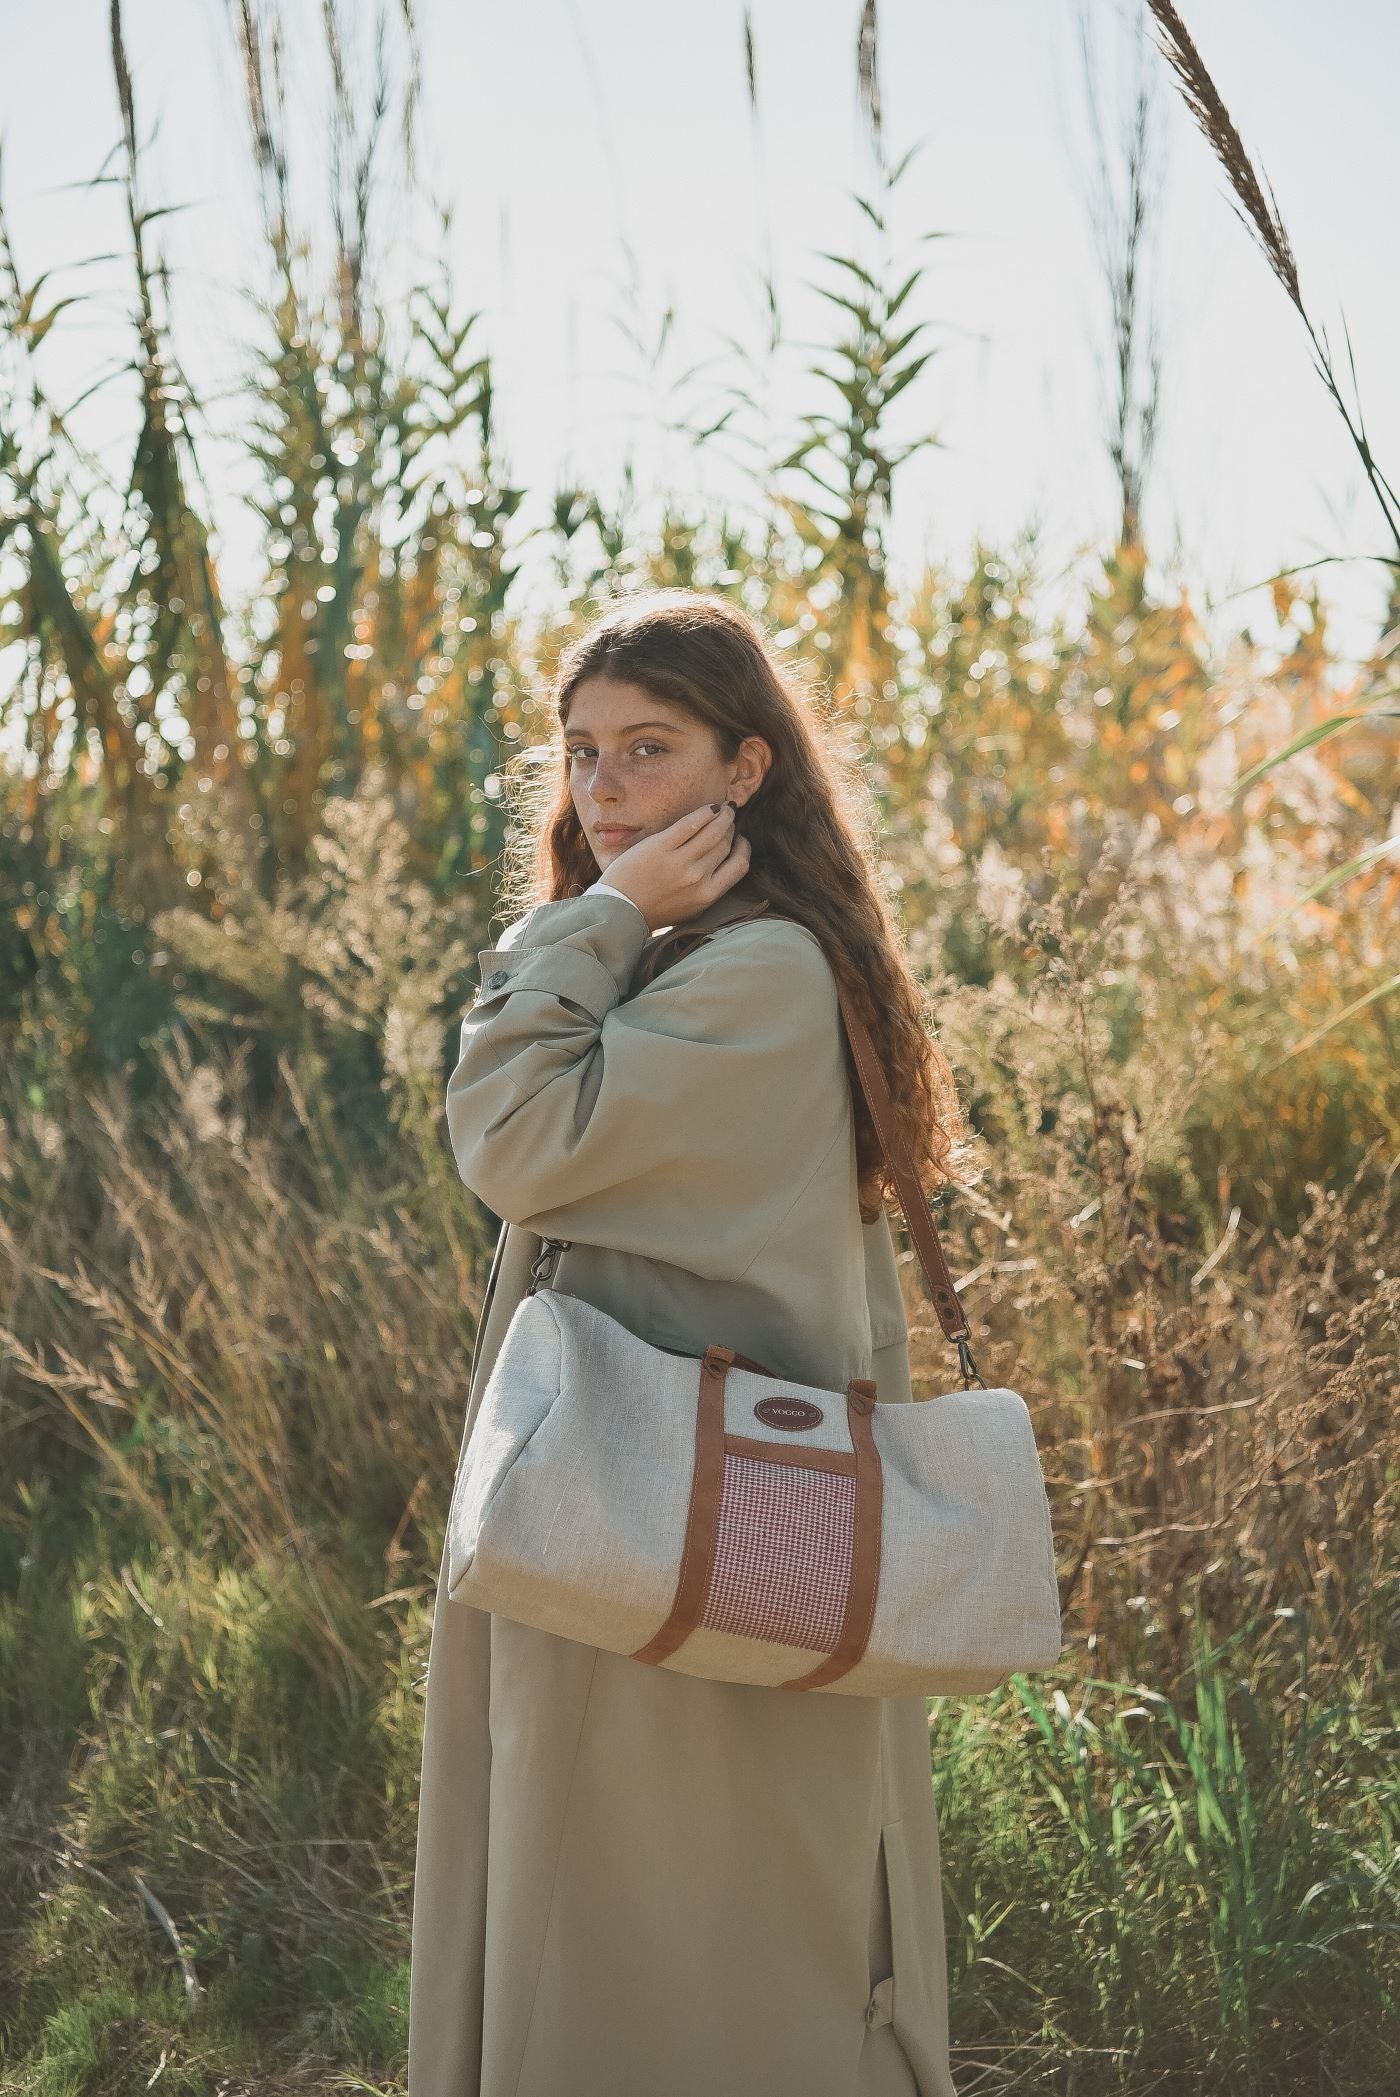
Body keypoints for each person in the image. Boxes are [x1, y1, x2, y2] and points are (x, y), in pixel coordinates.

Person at [408, 590, 973, 2097]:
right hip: (646, 1526)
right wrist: (613, 922)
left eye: (647, 751)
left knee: (672, 1958)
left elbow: (515, 1133)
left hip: (685, 1543)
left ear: (746, 769)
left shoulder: (756, 975)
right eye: (581, 754)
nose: (601, 794)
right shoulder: (684, 958)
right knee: (632, 1936)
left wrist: (591, 919)